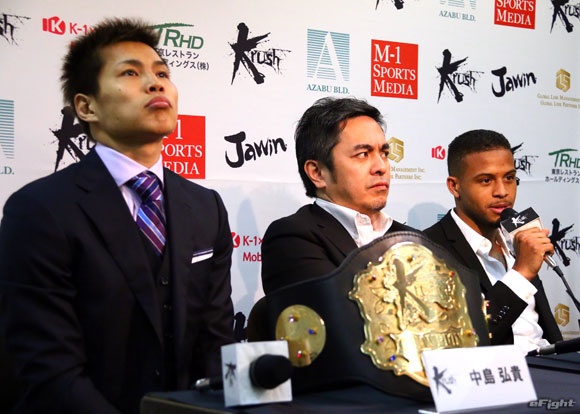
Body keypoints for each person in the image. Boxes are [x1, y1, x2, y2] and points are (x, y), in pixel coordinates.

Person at [0, 18, 234, 414]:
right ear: (86, 106)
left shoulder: (205, 207)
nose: (156, 84)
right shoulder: (39, 210)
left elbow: (216, 345)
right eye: (130, 73)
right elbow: (49, 371)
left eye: (162, 73)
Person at [261, 97, 419, 294]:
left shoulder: (413, 240)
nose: (381, 167)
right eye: (363, 154)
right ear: (318, 173)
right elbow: (337, 309)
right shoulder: (292, 238)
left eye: (384, 154)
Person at [423, 129, 562, 352]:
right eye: (486, 180)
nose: (502, 192)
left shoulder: (518, 240)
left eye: (509, 178)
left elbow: (543, 329)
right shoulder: (428, 249)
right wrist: (521, 273)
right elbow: (462, 338)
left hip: (551, 364)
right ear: (455, 186)